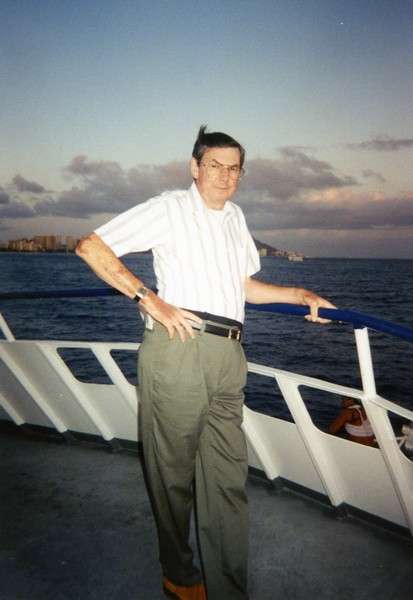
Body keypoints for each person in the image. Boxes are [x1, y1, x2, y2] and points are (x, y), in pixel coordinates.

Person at [76, 125, 335, 600]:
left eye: (235, 168)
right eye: (215, 165)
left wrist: (298, 294)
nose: (225, 175)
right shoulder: (169, 208)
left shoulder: (235, 217)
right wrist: (150, 299)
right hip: (180, 348)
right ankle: (178, 572)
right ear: (194, 167)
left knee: (228, 479)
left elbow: (244, 288)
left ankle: (229, 590)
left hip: (229, 354)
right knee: (172, 475)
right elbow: (91, 246)